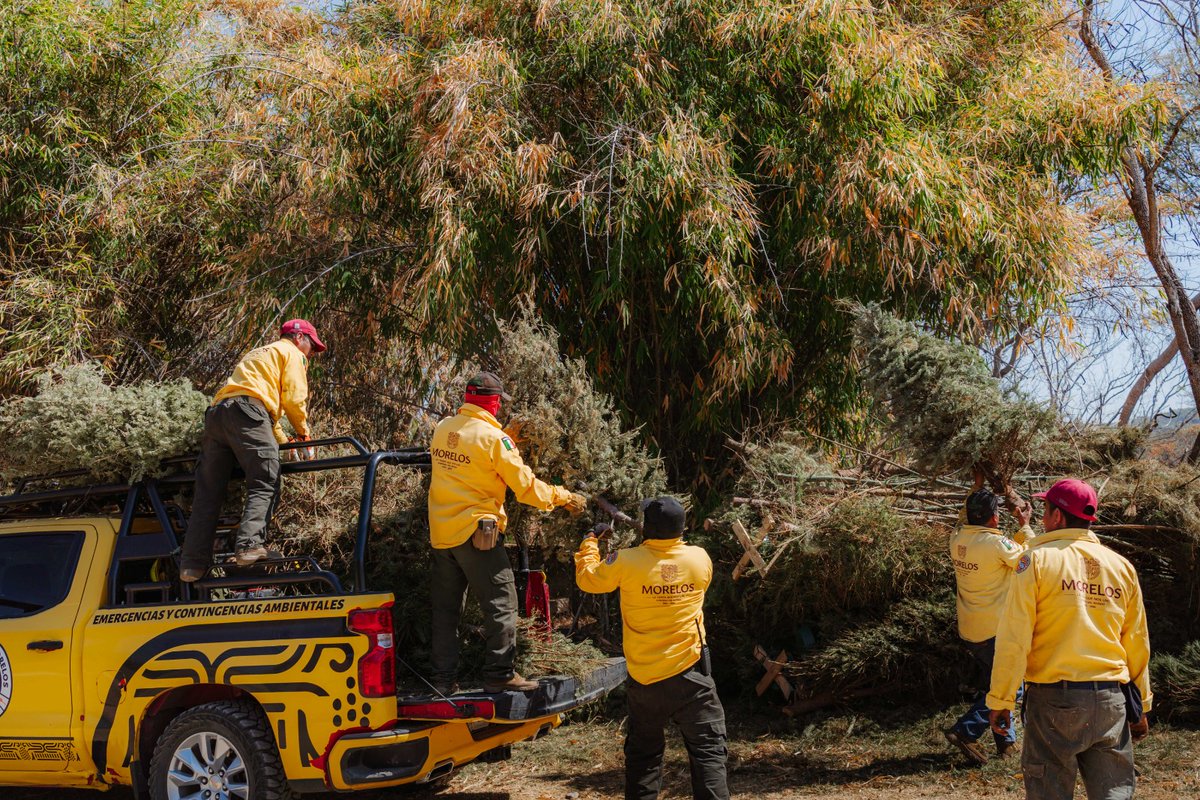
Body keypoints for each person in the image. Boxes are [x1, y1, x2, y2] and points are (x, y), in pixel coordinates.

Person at [988, 478, 1152, 800]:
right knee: (1114, 793)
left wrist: (1001, 700)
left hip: (1054, 703)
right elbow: (1137, 641)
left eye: (1045, 510)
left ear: (1058, 516)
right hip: (1110, 701)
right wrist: (1141, 705)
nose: (1042, 518)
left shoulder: (1034, 561)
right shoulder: (1122, 567)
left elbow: (1014, 637)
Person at [428, 371, 587, 693]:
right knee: (501, 603)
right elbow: (527, 489)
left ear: (467, 398)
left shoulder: (443, 428)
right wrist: (564, 497)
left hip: (441, 533)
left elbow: (467, 460)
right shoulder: (494, 440)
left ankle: (442, 681)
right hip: (477, 535)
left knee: (446, 611)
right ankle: (500, 674)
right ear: (495, 403)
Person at [575, 497, 729, 800]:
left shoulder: (626, 561)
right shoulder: (699, 558)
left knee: (644, 757)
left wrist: (590, 541)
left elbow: (588, 580)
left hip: (645, 680)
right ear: (682, 528)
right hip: (692, 676)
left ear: (646, 528)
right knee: (709, 752)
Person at [180, 319, 323, 582]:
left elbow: (266, 415)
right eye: (312, 347)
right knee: (265, 477)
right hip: (247, 413)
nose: (311, 353)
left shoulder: (260, 353)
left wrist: (285, 441)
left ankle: (192, 565)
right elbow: (294, 398)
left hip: (218, 415)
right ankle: (249, 546)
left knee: (208, 492)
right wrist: (304, 434)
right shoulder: (292, 353)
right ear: (299, 338)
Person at [944, 486, 1033, 763]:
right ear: (994, 517)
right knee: (1011, 687)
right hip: (996, 630)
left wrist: (977, 485)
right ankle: (965, 731)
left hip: (971, 628)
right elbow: (1028, 561)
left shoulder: (957, 537)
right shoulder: (996, 544)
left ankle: (1006, 745)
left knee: (995, 685)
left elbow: (965, 518)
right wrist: (1025, 526)